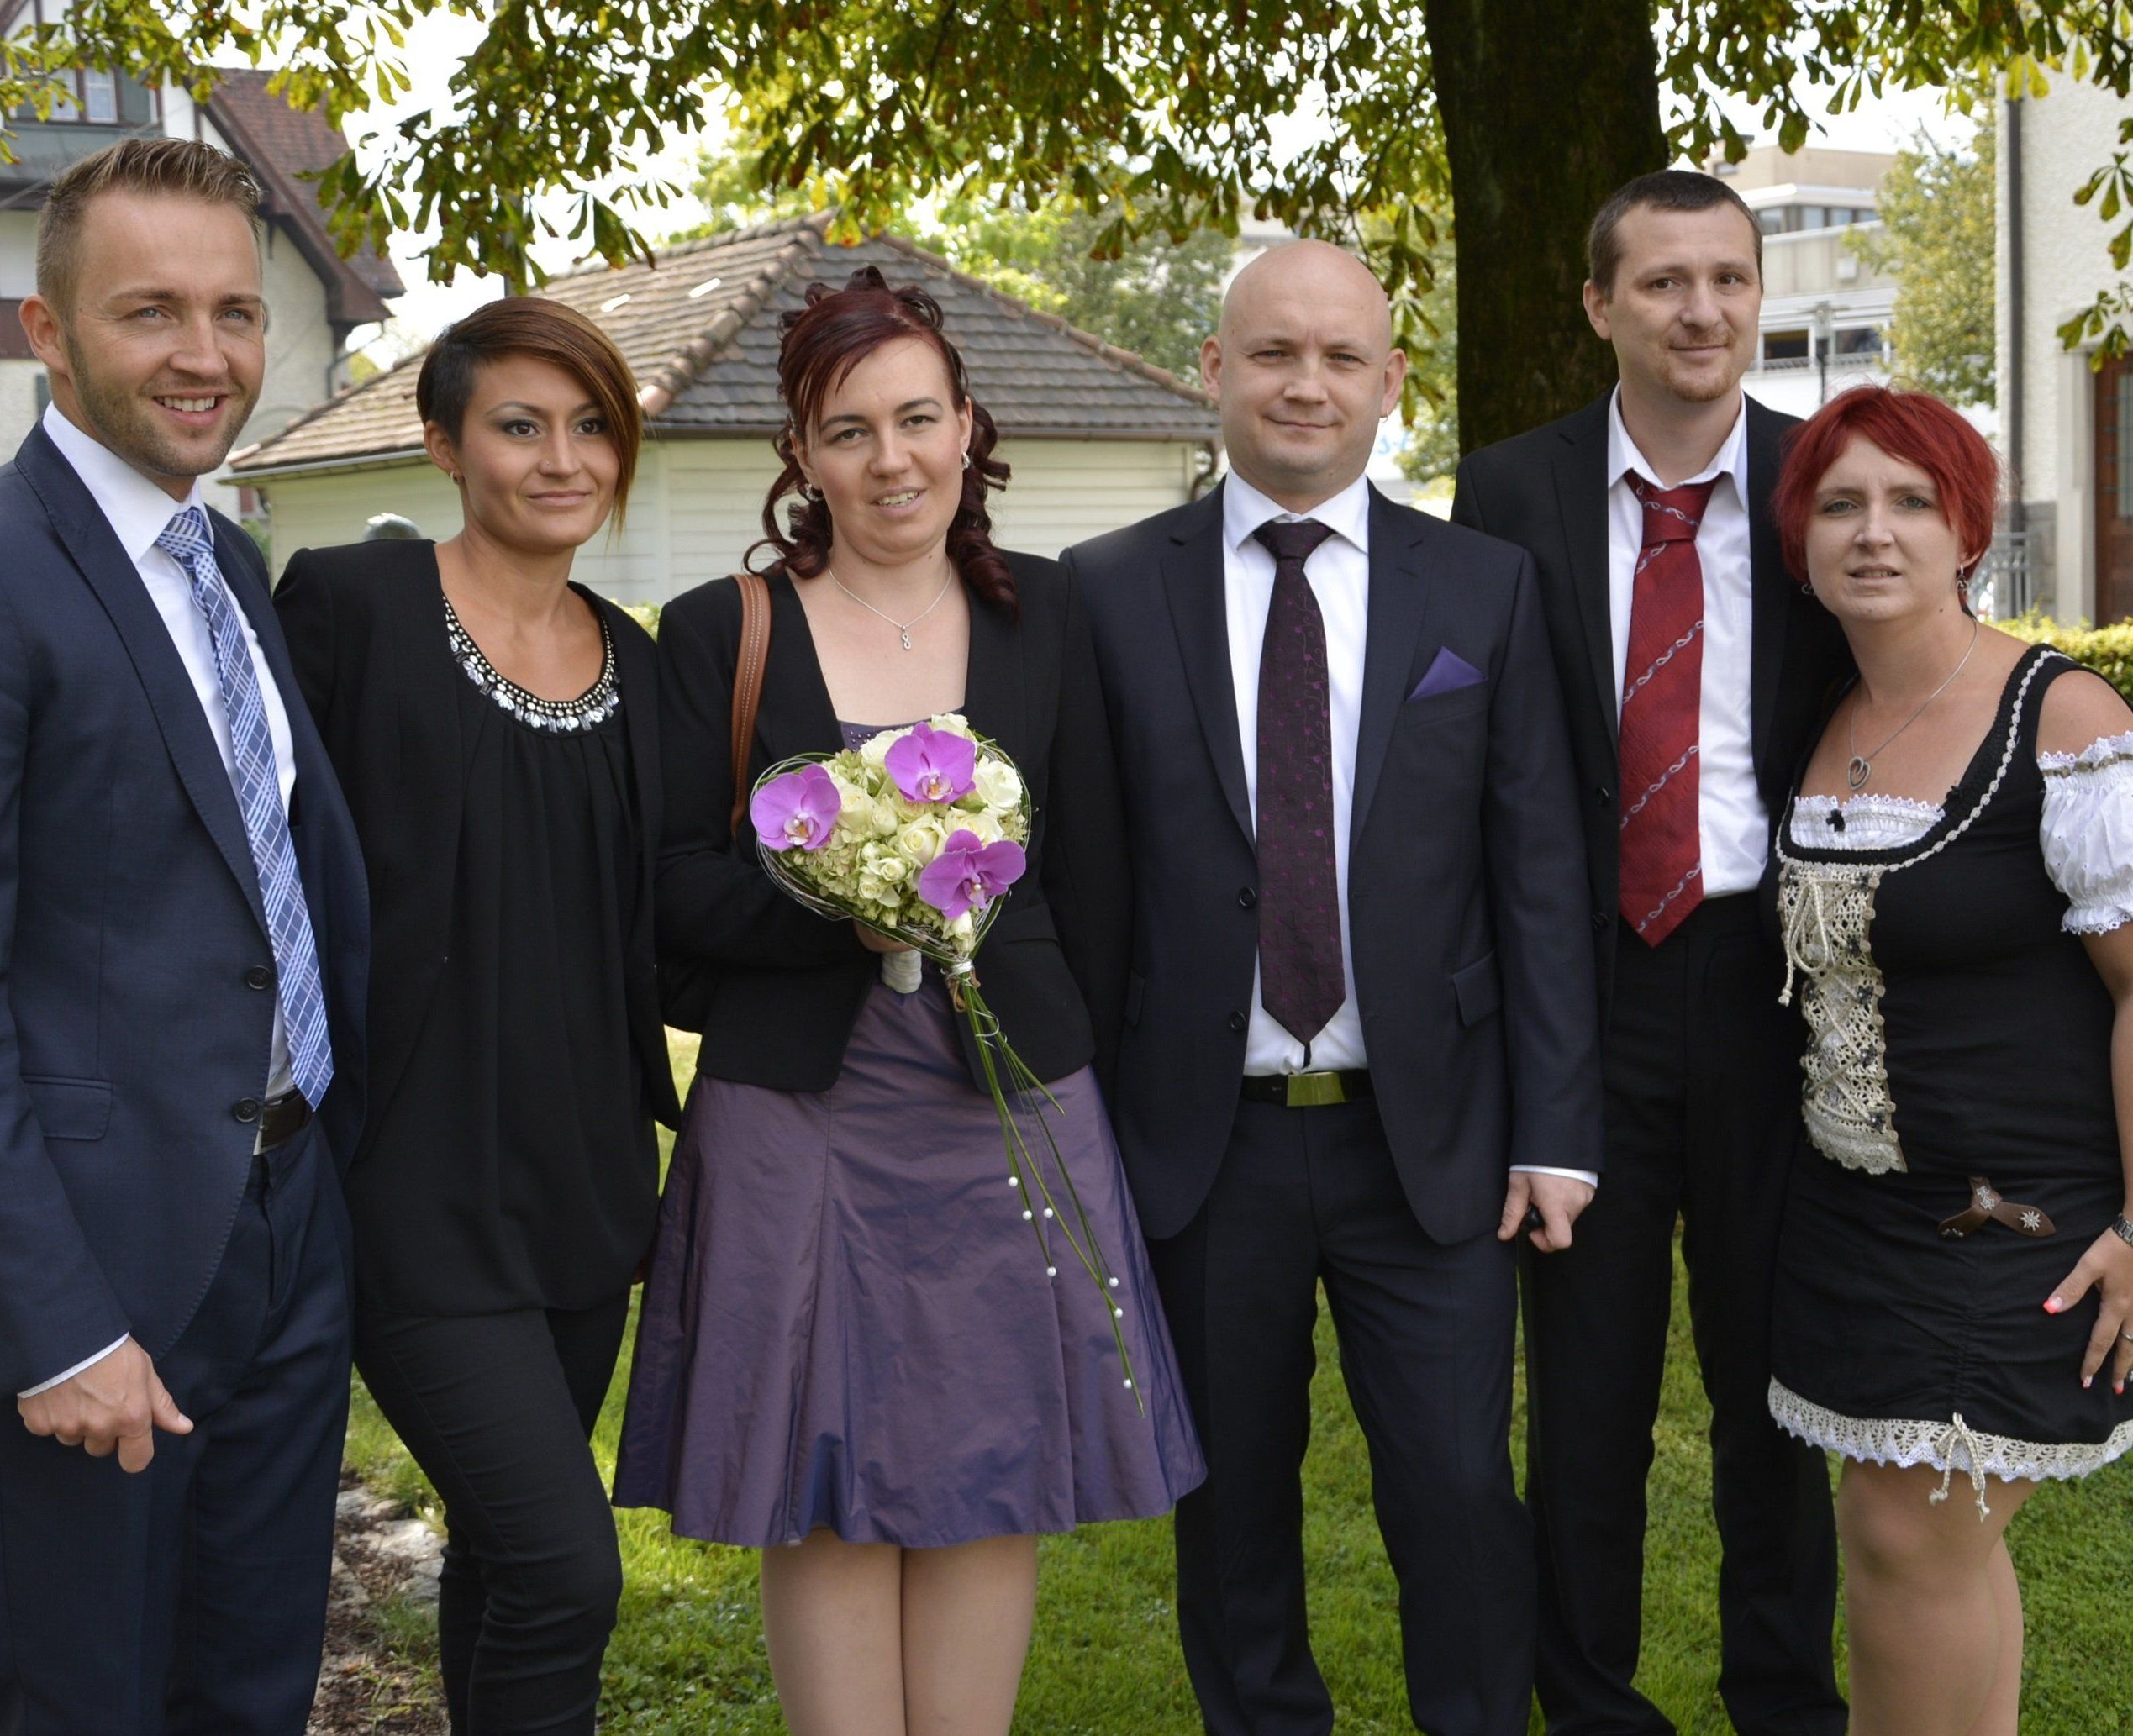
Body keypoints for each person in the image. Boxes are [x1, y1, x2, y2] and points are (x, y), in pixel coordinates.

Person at [614, 266, 1203, 1736]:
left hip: (1005, 1105)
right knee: (825, 1484)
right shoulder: (720, 629)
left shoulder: (1054, 616)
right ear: (802, 455)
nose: (893, 459)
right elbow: (673, 893)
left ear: (966, 427)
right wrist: (845, 895)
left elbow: (1104, 884)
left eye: (918, 418)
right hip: (800, 1111)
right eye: (850, 428)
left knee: (984, 1471)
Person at [1066, 239, 1603, 1736]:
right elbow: (1088, 891)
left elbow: (1538, 875)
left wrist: (1554, 1126)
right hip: (1200, 1141)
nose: (1307, 383)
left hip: (1426, 1140)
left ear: (1389, 383)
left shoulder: (1482, 589)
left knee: (1453, 1489)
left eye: (1341, 357)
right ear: (1214, 369)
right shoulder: (1103, 594)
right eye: (1274, 353)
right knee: (1229, 1507)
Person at [0, 138, 367, 1734]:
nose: (207, 355)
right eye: (151, 311)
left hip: (286, 1226)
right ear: (47, 332)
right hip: (94, 1258)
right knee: (94, 1702)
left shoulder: (223, 557)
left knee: (254, 1687)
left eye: (234, 311)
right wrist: (53, 1320)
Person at [1451, 169, 1851, 1736]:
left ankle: (1783, 1699)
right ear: (1599, 303)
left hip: (1773, 992)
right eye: (1665, 282)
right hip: (1586, 991)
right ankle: (1592, 1702)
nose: (1702, 310)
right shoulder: (1506, 493)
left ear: (1759, 297)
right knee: (1593, 1400)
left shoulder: (1826, 480)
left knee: (1780, 1393)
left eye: (1729, 280)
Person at [271, 298, 677, 1735]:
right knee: (568, 1567)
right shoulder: (347, 605)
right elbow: (256, 865)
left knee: (509, 1555)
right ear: (444, 443)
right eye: (519, 425)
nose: (561, 458)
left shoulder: (640, 666)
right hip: (410, 1187)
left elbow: (669, 930)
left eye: (589, 427)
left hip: (583, 1190)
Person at [1765, 386, 2133, 1736]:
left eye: (1910, 502)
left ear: (1966, 532)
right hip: (1853, 1211)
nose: (1872, 532)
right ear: (1799, 538)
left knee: (1907, 1534)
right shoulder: (1823, 714)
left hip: (2021, 1211)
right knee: (1919, 1537)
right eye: (1839, 503)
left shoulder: (2059, 718)